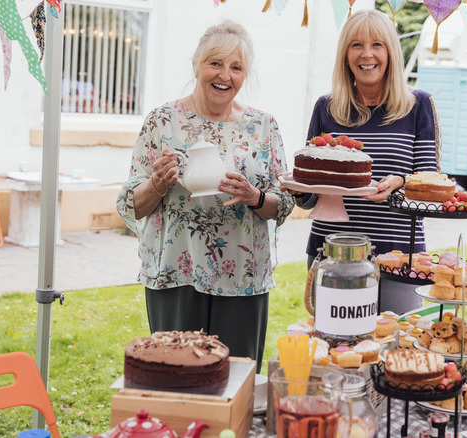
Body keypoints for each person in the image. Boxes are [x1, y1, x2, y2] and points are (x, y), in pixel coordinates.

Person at [116, 21, 294, 372]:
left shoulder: (264, 125)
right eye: (215, 63)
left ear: (245, 75)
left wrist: (255, 197)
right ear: (196, 65)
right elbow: (130, 204)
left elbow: (284, 202)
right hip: (175, 274)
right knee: (178, 378)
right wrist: (157, 184)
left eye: (236, 67)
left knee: (238, 382)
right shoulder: (162, 121)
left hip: (244, 278)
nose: (224, 75)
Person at [293, 9, 441, 315]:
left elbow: (430, 186)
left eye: (377, 45)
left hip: (400, 256)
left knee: (396, 350)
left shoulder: (418, 106)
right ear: (345, 55)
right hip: (331, 251)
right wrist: (295, 190)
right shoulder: (327, 107)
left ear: (391, 52)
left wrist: (399, 182)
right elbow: (309, 198)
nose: (367, 54)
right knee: (337, 349)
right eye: (356, 45)